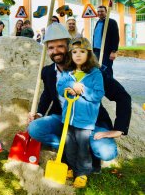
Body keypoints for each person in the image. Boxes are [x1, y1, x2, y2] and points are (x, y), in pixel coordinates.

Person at [27, 23, 132, 176]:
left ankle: (84, 150)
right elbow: (47, 95)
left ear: (69, 46)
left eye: (60, 46)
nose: (55, 51)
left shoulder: (94, 72)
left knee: (107, 152)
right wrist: (40, 114)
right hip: (64, 120)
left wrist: (119, 129)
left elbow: (123, 97)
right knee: (35, 128)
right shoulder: (48, 71)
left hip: (91, 123)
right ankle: (72, 147)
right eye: (51, 47)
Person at [57, 37, 104, 188]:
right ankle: (71, 168)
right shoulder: (68, 72)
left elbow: (98, 94)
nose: (78, 55)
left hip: (85, 121)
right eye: (74, 52)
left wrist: (81, 90)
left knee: (83, 149)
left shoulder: (95, 73)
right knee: (69, 147)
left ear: (89, 54)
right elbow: (60, 86)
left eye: (82, 51)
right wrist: (70, 86)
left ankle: (83, 173)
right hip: (68, 119)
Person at [92, 5, 119, 78]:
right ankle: (102, 86)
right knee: (98, 70)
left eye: (102, 11)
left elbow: (115, 37)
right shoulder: (98, 22)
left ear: (106, 12)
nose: (100, 13)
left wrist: (113, 51)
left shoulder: (111, 22)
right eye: (98, 11)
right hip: (96, 51)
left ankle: (110, 87)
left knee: (107, 70)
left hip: (106, 52)